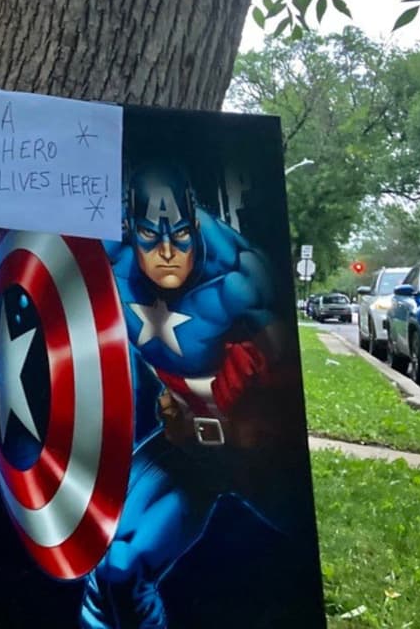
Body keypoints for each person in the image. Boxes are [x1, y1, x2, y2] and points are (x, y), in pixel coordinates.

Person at [81, 165, 282, 628]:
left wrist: (236, 425)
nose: (167, 253)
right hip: (188, 443)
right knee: (117, 565)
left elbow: (286, 393)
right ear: (131, 229)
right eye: (151, 236)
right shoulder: (106, 259)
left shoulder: (239, 277)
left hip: (263, 449)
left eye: (182, 236)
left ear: (196, 225)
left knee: (288, 536)